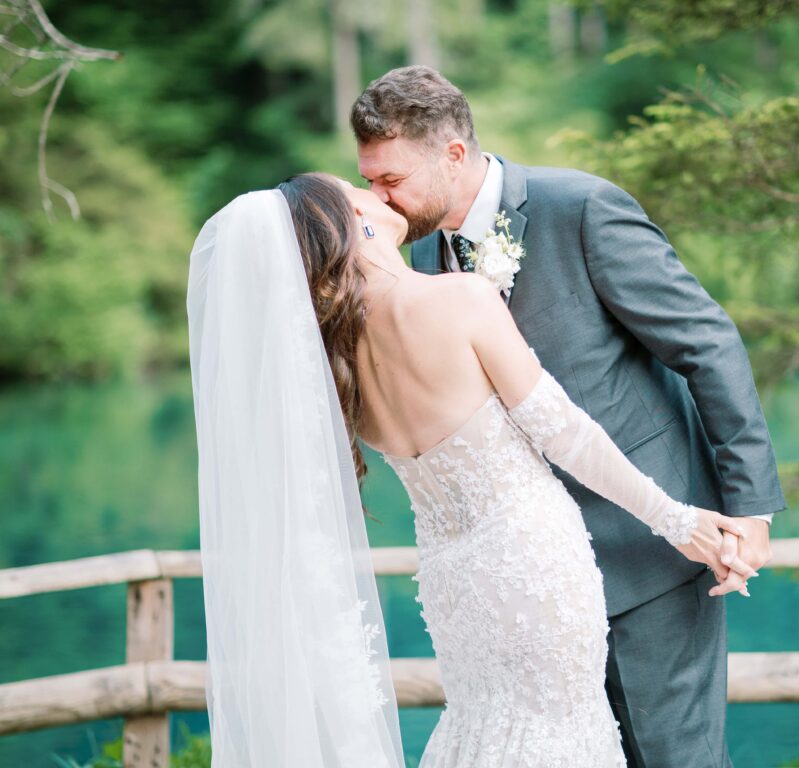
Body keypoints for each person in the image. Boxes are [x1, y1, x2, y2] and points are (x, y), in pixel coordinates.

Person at [188, 172, 758, 768]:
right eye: (360, 194)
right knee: (559, 733)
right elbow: (566, 433)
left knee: (485, 730)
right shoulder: (458, 299)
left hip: (452, 581)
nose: (379, 197)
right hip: (531, 561)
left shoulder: (338, 366)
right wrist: (675, 519)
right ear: (349, 224)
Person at [350, 65, 787, 768]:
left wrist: (750, 510)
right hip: (533, 585)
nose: (379, 197)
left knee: (672, 757)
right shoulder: (421, 263)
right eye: (369, 180)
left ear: (452, 154)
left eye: (391, 179)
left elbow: (706, 344)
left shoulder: (579, 208)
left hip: (650, 551)